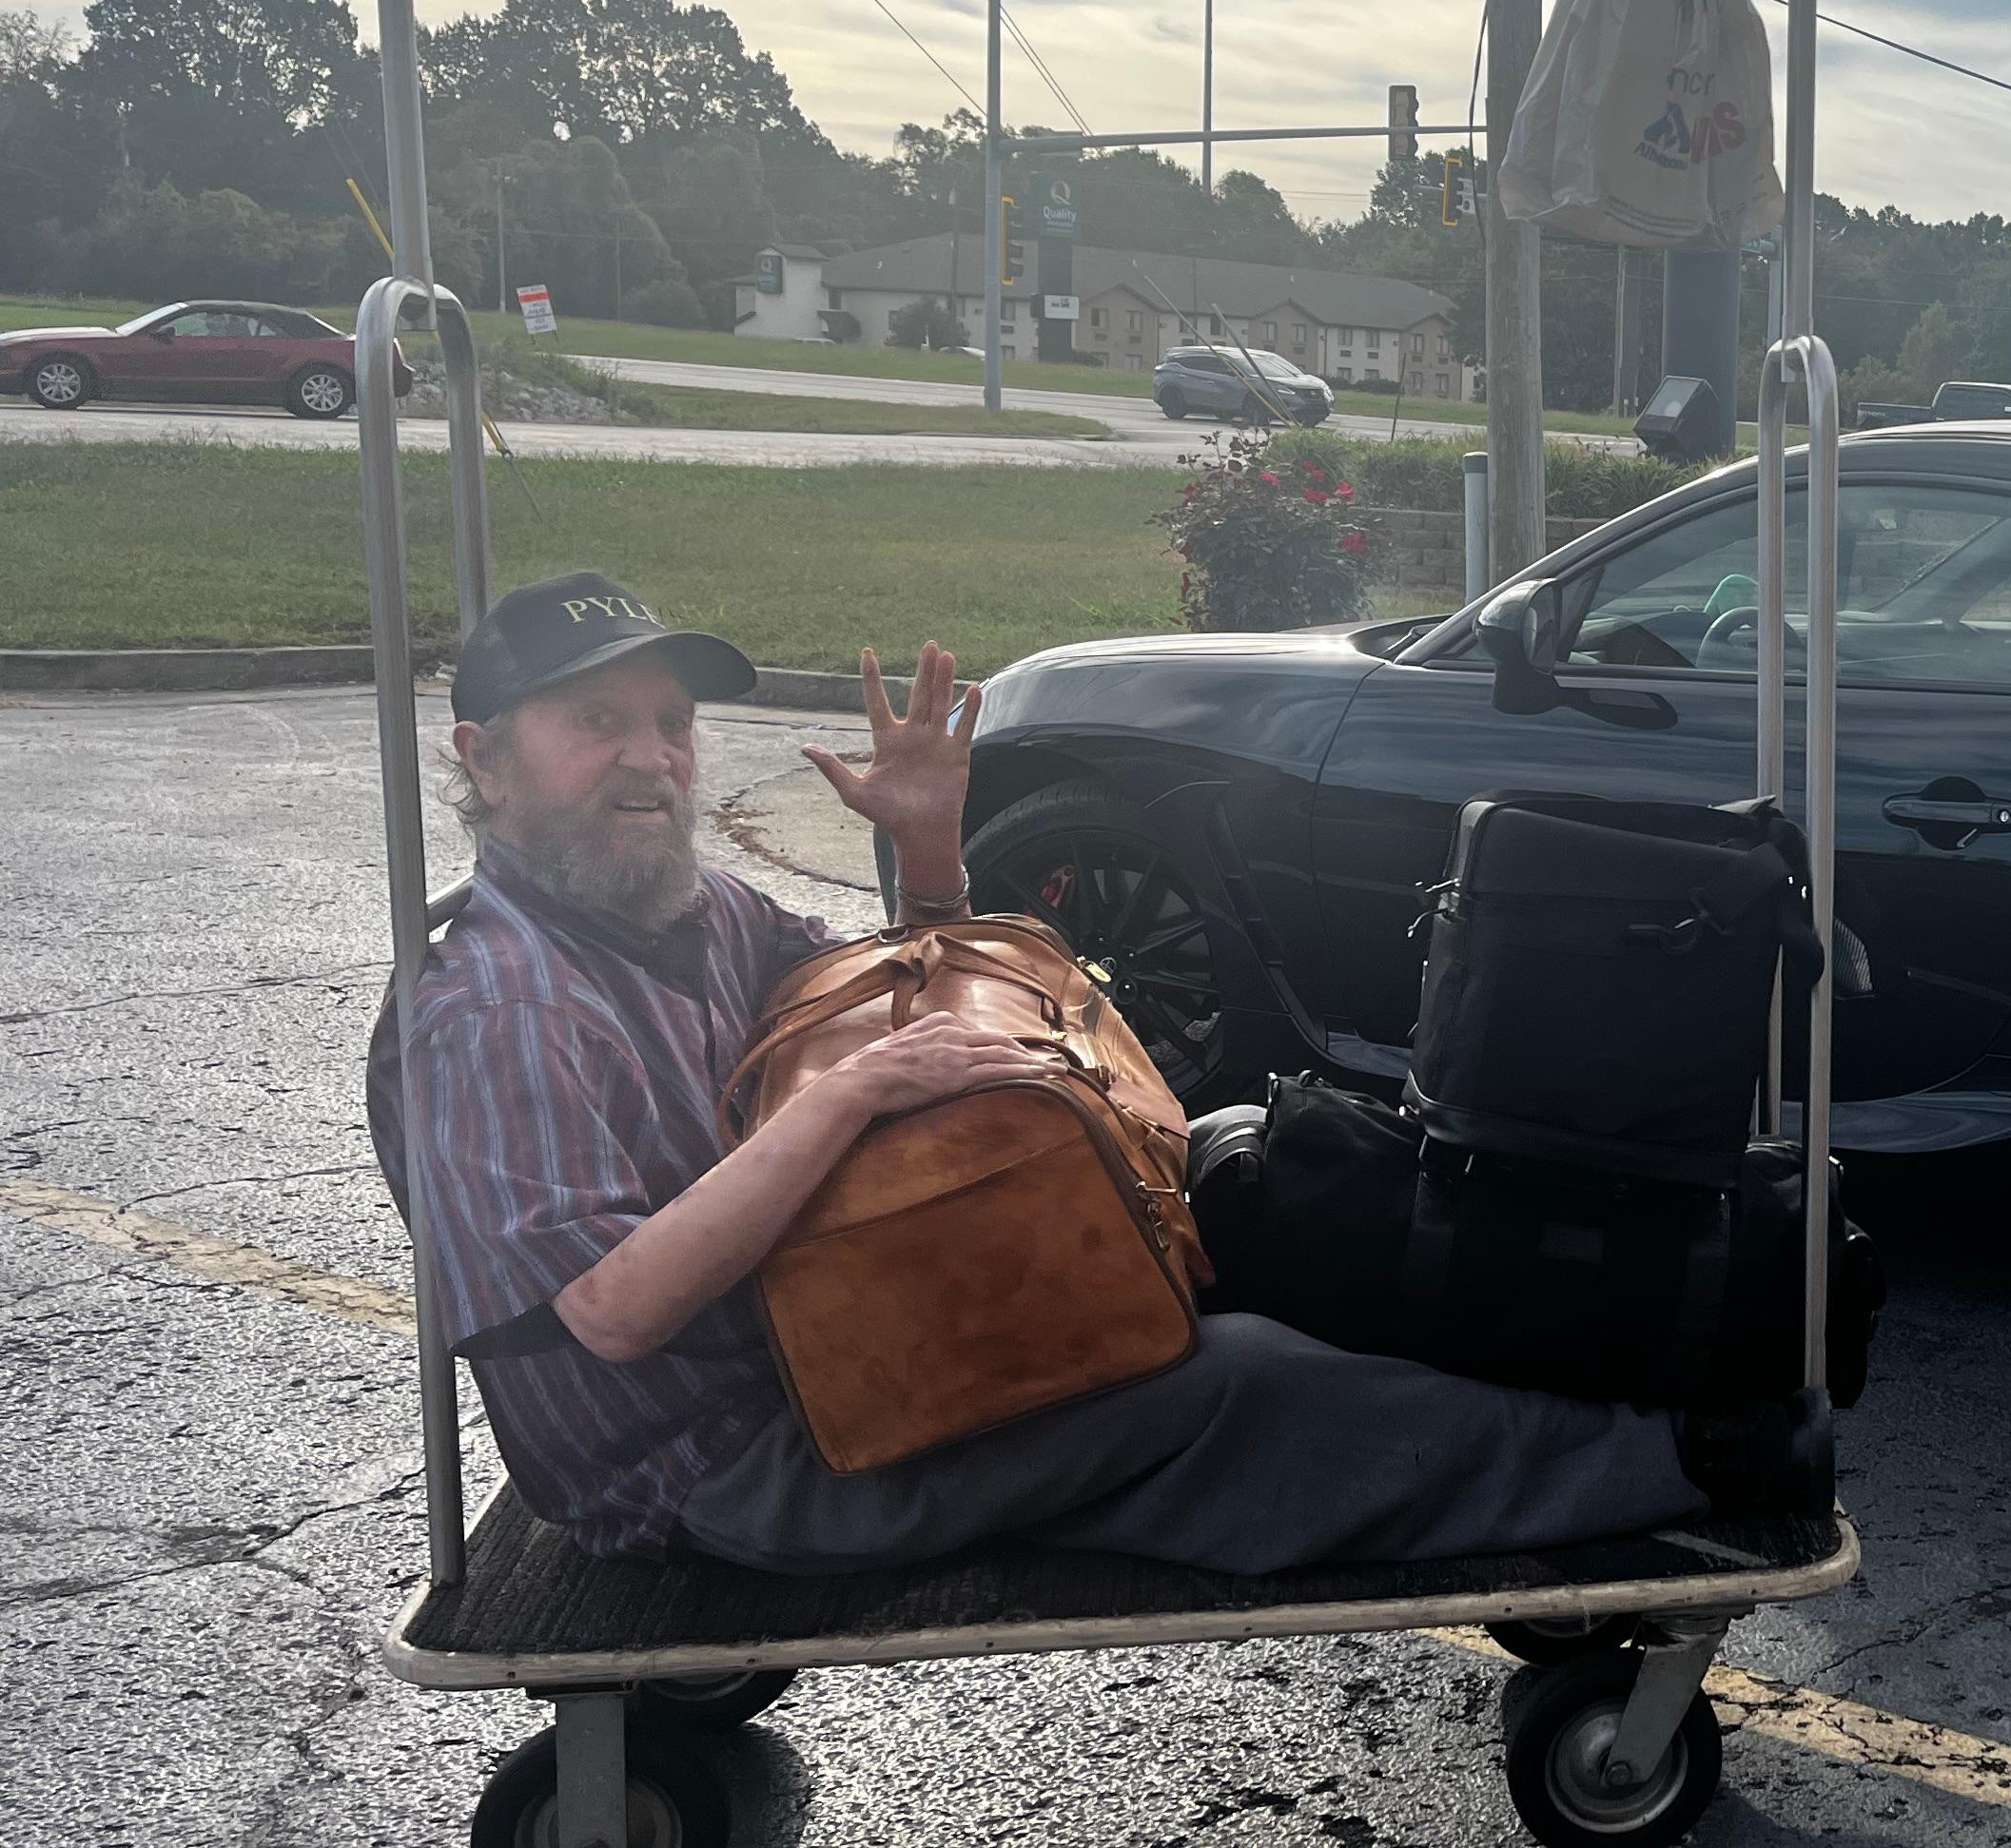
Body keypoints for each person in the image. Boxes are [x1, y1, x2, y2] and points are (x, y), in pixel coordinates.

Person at [367, 569, 1827, 1578]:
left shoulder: (680, 914)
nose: (651, 761)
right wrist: (841, 1107)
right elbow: (613, 1314)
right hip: (733, 1458)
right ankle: (1682, 1459)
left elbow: (883, 1012)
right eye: (596, 725)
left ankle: (1611, 1342)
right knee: (1223, 1379)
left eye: (670, 725)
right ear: (484, 761)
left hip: (834, 1334)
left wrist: (932, 863)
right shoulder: (495, 1007)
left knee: (1246, 1180)